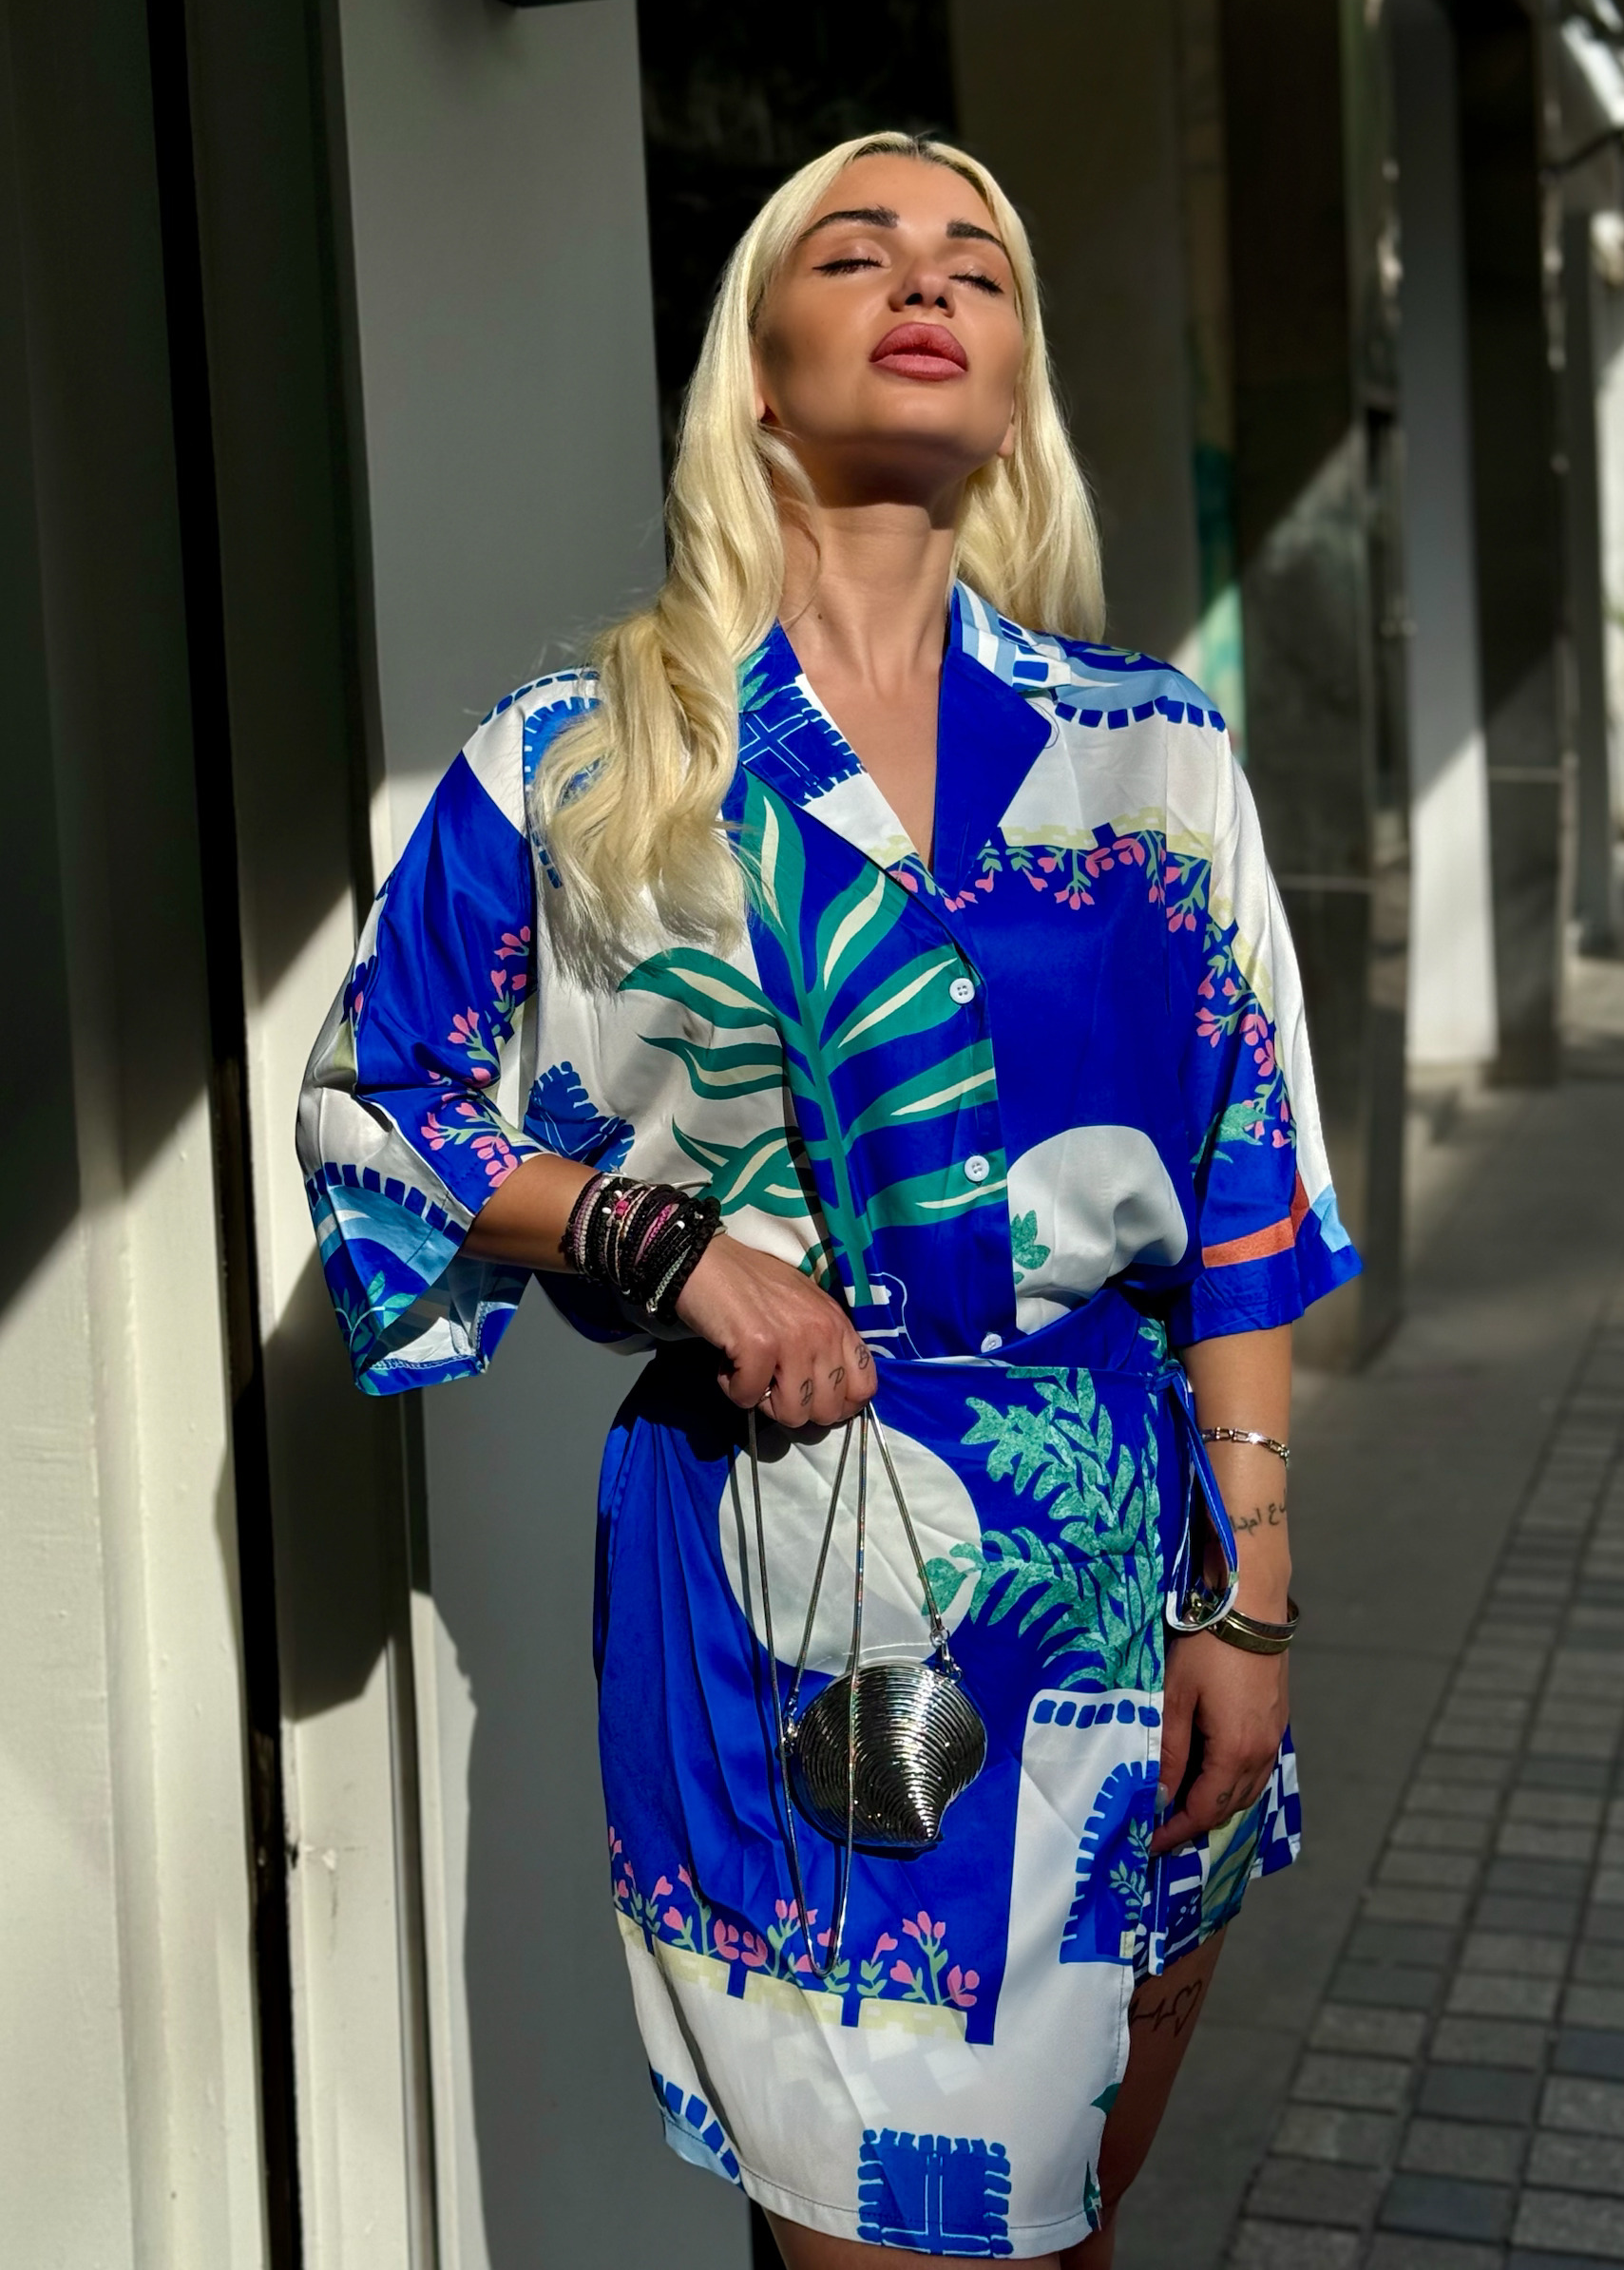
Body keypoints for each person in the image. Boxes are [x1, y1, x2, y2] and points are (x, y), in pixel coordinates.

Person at [299, 130, 1360, 2267]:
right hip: (784, 1591)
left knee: (1069, 2233)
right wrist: (668, 1246)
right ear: (758, 370)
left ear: (1018, 382)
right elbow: (377, 1107)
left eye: (980, 263)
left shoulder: (1153, 755)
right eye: (859, 252)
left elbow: (1240, 1186)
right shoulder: (586, 759)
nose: (928, 282)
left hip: (1112, 1567)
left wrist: (1247, 1607)